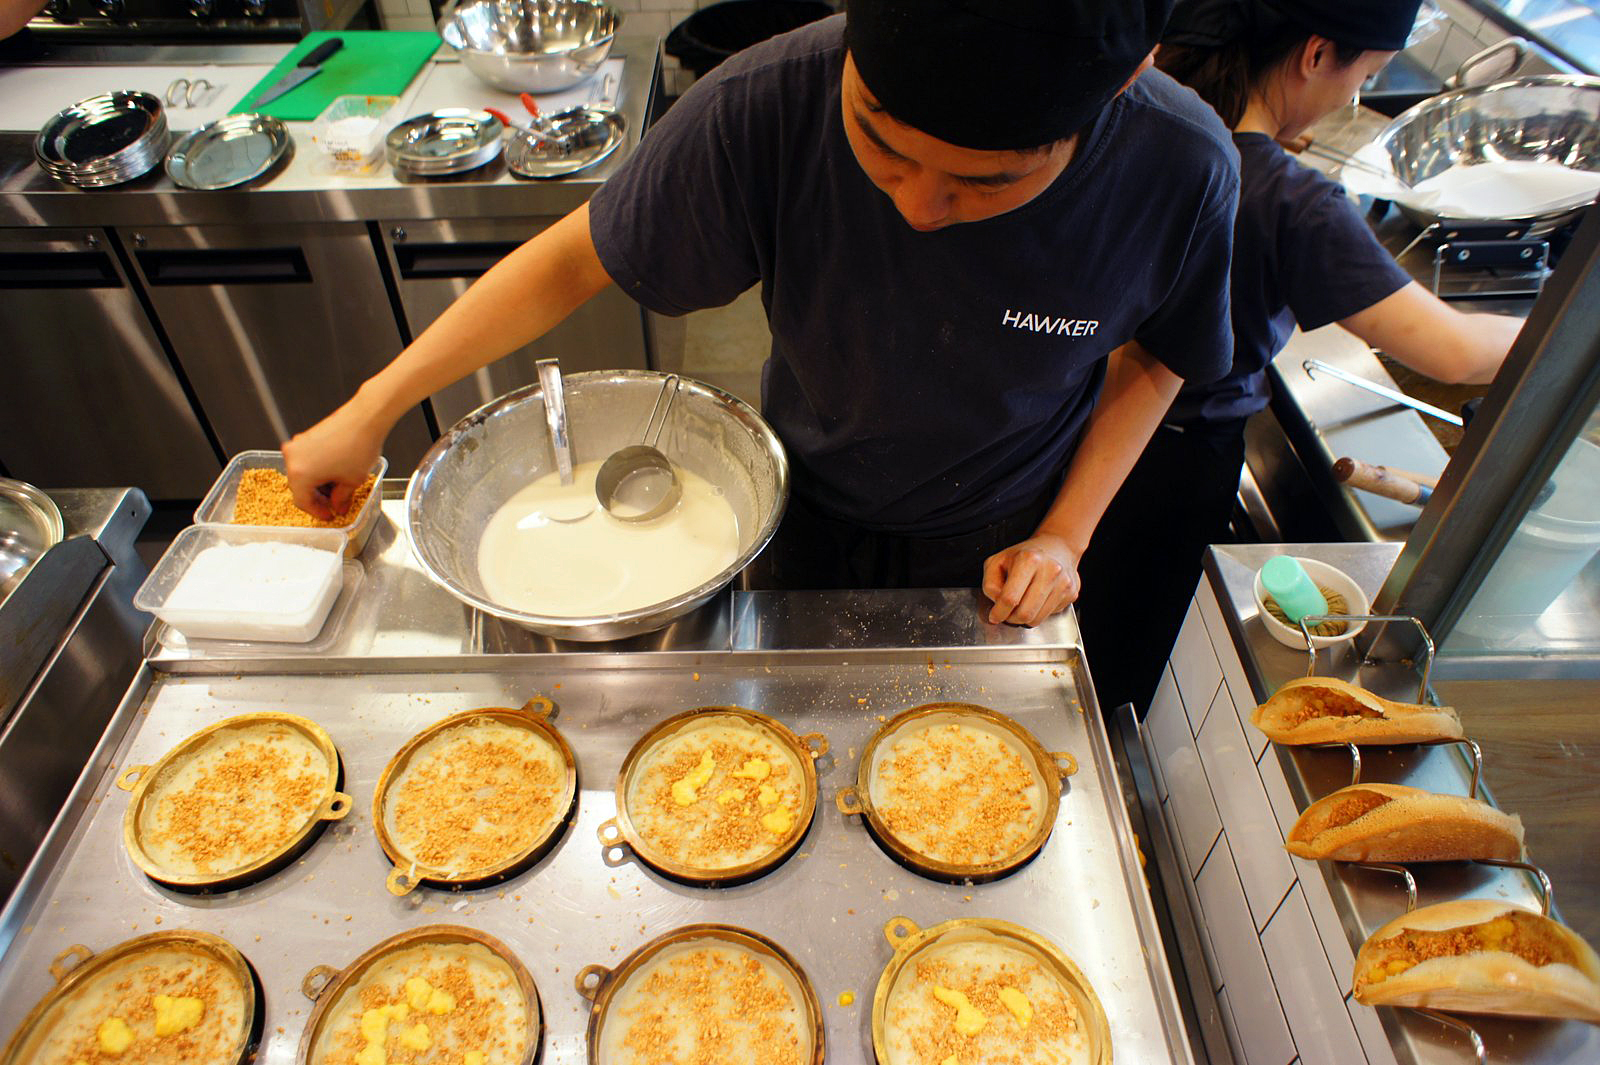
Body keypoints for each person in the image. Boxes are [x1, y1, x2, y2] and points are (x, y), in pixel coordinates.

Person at [284, 0, 1243, 628]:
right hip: (801, 502)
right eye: (880, 144)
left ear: (1120, 86)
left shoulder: (1180, 168)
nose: (916, 207)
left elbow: (1161, 356)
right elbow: (575, 258)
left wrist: (1065, 537)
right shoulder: (768, 103)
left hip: (1001, 535)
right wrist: (371, 409)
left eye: (985, 184)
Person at [1075, 0, 1525, 717]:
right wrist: (1566, 333)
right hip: (1169, 472)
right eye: (1365, 75)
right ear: (1315, 55)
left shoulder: (1137, 106)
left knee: (1064, 635)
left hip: (1065, 428)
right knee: (1117, 673)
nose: (1354, 98)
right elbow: (1455, 350)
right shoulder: (1293, 200)